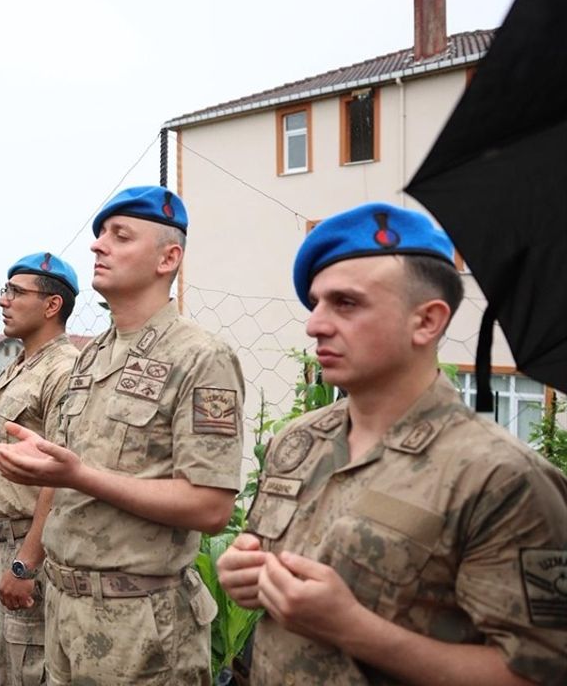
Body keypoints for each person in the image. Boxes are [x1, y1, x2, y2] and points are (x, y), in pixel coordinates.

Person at [216, 203, 567, 686]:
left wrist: (355, 629)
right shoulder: (297, 441)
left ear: (426, 321)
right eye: (315, 304)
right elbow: (261, 552)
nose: (315, 325)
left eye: (346, 304)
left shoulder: (501, 477)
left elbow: (539, 673)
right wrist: (244, 572)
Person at [0, 186, 244, 686]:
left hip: (140, 625)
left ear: (169, 258)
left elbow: (211, 507)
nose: (99, 245)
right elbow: (60, 475)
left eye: (120, 236)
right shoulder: (91, 357)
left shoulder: (199, 357)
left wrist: (81, 475)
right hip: (64, 610)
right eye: (100, 235)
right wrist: (29, 550)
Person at [0, 253, 80, 686]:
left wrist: (26, 562)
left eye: (16, 292)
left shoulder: (63, 370)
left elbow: (60, 477)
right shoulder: (19, 365)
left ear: (51, 305)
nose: (3, 300)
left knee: (25, 670)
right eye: (5, 290)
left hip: (26, 546)